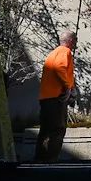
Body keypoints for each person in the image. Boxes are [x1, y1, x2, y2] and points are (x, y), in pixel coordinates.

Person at [37, 30, 76, 162]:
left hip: (46, 97)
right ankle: (52, 158)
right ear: (70, 41)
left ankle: (41, 158)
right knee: (58, 129)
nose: (76, 43)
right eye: (75, 40)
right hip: (57, 97)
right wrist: (68, 87)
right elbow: (60, 67)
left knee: (46, 129)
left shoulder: (53, 53)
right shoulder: (65, 52)